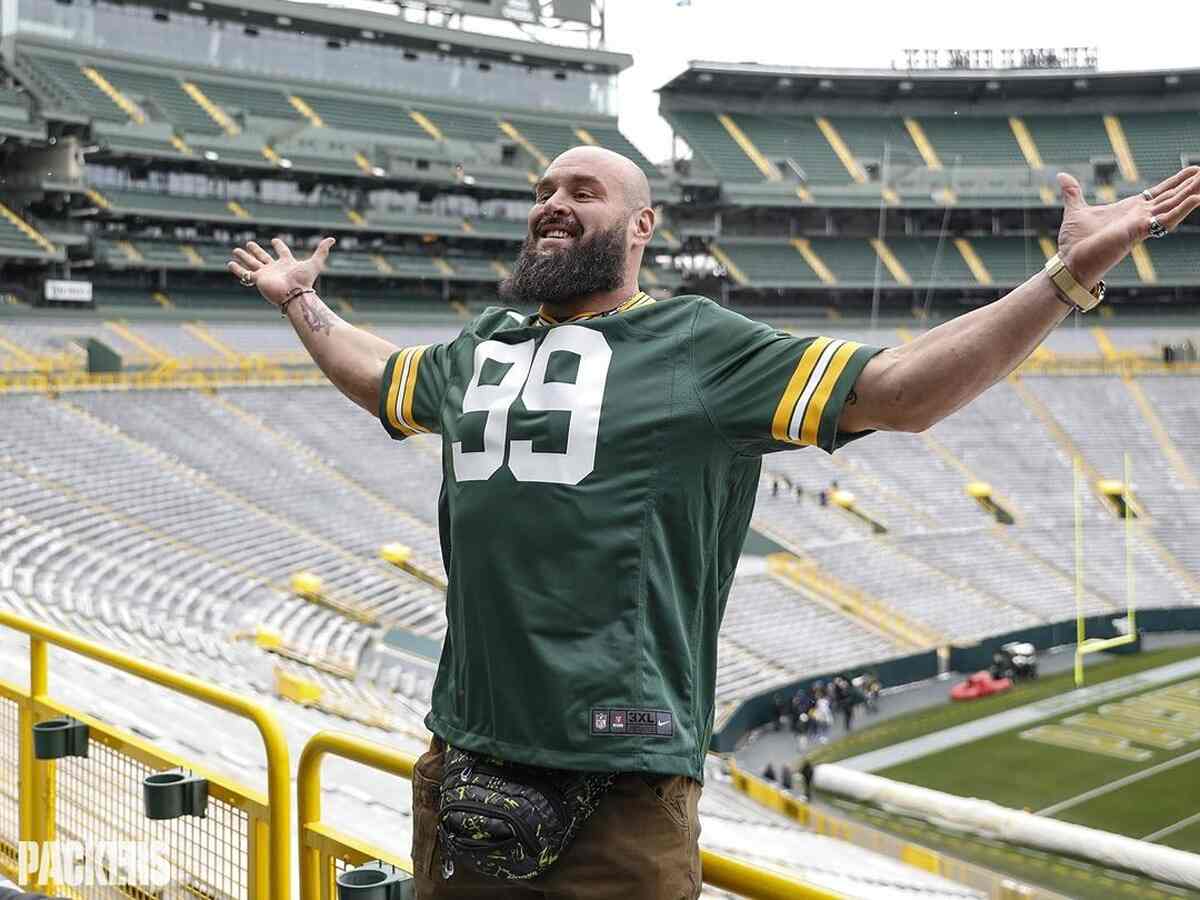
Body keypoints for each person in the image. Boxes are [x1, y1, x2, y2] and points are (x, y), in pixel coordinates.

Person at [227, 148, 1200, 899]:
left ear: (643, 224)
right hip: (465, 764)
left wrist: (1067, 280)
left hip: (617, 787)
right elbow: (380, 379)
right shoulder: (483, 346)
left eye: (583, 190)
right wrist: (303, 302)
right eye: (544, 190)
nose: (552, 203)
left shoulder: (697, 343)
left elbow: (901, 392)